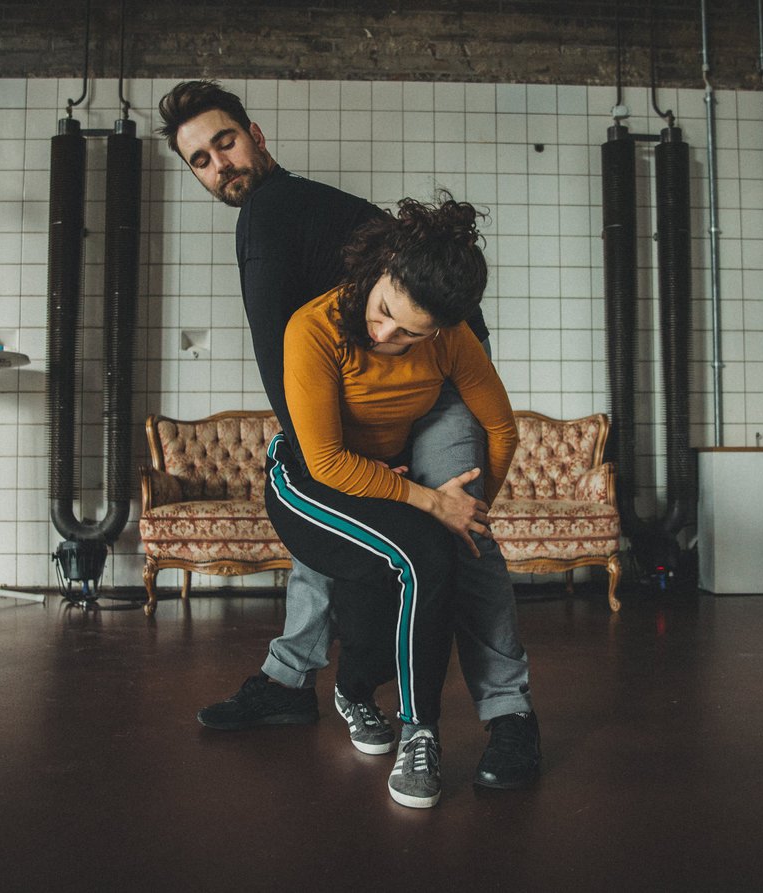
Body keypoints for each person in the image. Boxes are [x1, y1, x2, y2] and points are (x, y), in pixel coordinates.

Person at [157, 80, 541, 790]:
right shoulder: (301, 208)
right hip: (377, 390)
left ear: (257, 135)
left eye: (226, 142)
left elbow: (274, 350)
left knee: (464, 530)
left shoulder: (268, 214)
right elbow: (297, 352)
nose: (221, 166)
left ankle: (509, 714)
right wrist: (323, 453)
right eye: (202, 161)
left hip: (443, 385)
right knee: (334, 516)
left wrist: (322, 455)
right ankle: (289, 676)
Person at [267, 194, 517, 807]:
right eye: (383, 312)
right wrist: (434, 502)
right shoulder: (313, 327)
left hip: (380, 479)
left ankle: (369, 700)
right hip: (304, 483)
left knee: (427, 560)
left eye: (410, 332)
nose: (386, 334)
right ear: (377, 269)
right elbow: (325, 462)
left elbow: (502, 430)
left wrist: (471, 509)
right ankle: (417, 727)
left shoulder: (449, 339)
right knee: (421, 555)